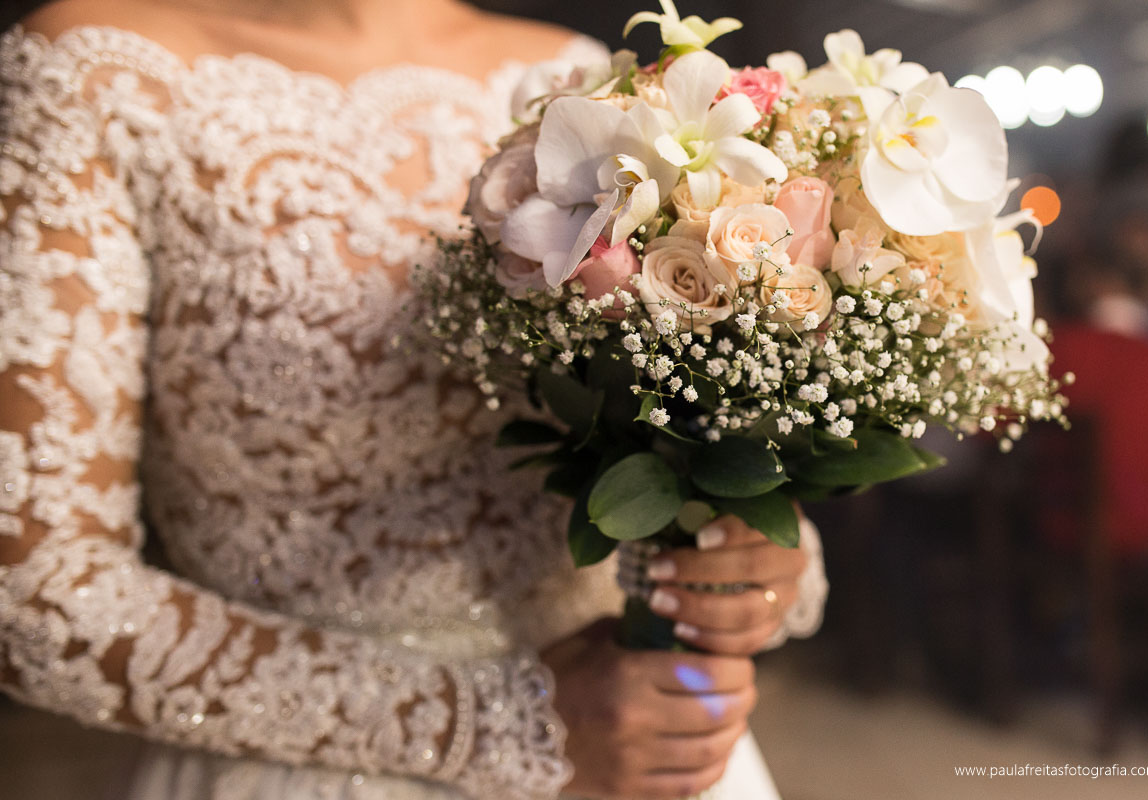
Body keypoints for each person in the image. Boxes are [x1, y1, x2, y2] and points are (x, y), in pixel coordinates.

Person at [0, 2, 829, 799]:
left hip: (643, 740)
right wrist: (502, 723)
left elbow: (670, 436)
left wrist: (748, 556)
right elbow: (39, 597)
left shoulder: (579, 76)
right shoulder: (97, 73)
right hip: (312, 764)